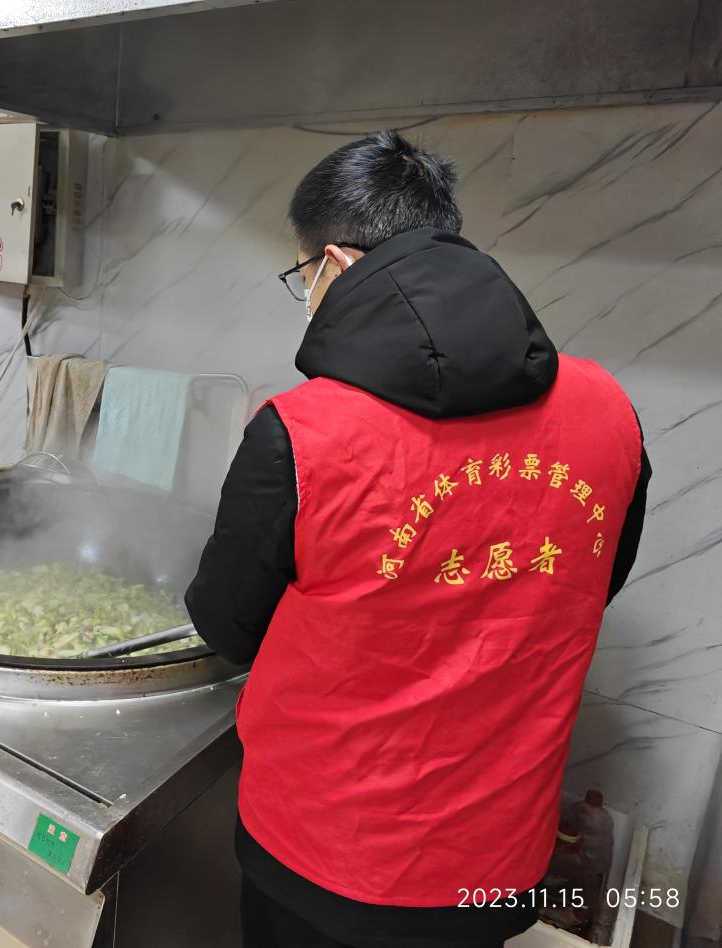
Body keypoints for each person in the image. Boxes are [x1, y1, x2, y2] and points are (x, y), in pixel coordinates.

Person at [185, 131, 651, 948]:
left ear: (335, 263)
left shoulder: (302, 433)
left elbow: (226, 627)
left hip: (321, 856)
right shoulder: (610, 410)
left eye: (303, 274)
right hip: (494, 863)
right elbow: (591, 583)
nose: (307, 291)